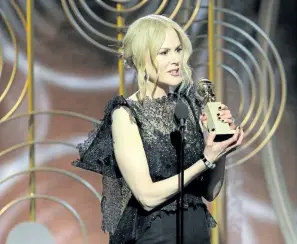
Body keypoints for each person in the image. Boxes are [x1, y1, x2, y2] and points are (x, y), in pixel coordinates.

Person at [72, 14, 244, 244]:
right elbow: (147, 197)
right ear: (143, 58)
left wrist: (220, 149)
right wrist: (205, 160)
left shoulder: (189, 107)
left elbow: (209, 192)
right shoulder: (126, 114)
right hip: (155, 235)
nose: (176, 60)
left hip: (196, 232)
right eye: (164, 53)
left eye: (178, 50)